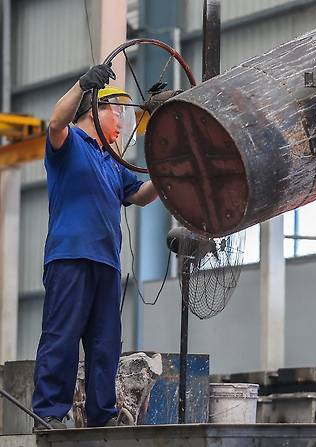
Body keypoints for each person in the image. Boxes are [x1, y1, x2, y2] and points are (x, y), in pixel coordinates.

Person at [32, 64, 160, 429]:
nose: (121, 121)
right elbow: (55, 122)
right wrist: (80, 85)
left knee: (105, 344)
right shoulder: (68, 144)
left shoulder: (113, 163)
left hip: (106, 263)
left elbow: (143, 195)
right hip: (69, 257)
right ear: (93, 111)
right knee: (62, 337)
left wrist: (169, 161)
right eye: (115, 112)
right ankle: (49, 413)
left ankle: (101, 415)